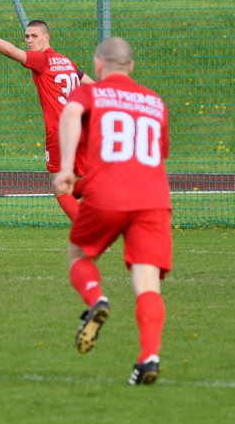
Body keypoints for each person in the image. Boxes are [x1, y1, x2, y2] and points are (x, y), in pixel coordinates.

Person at [53, 37, 172, 386]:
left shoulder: (91, 93)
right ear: (131, 67)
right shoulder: (155, 101)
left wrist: (65, 168)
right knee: (147, 282)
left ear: (98, 65)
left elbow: (71, 113)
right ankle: (148, 358)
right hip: (153, 199)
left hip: (106, 194)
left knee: (78, 256)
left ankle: (96, 298)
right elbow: (159, 153)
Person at [0, 9, 92, 221]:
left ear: (47, 37)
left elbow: (10, 51)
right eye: (27, 36)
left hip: (59, 131)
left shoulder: (41, 60)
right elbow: (93, 85)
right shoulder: (68, 62)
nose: (29, 40)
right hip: (80, 131)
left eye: (34, 36)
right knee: (75, 185)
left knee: (60, 190)